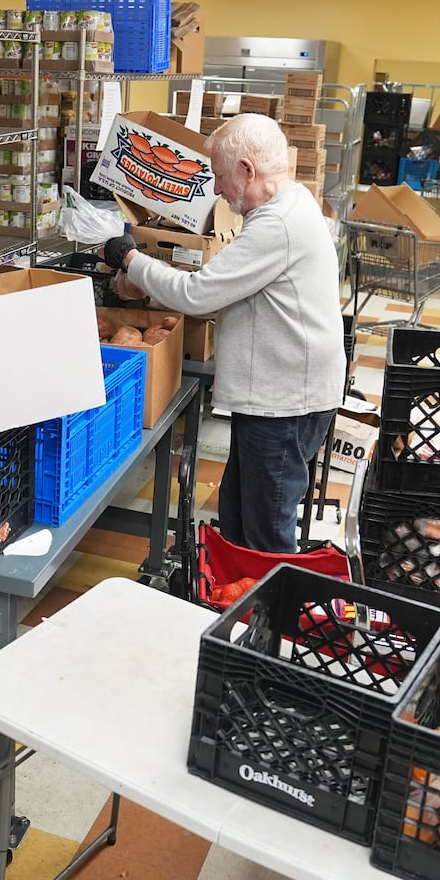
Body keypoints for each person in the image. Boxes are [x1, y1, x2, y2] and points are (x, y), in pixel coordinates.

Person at [102, 112, 346, 554]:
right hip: (282, 396)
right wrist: (153, 286)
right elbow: (227, 286)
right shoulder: (290, 206)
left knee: (266, 534)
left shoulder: (278, 225)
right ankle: (237, 607)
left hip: (284, 403)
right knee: (239, 516)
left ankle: (269, 616)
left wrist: (131, 260)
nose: (216, 189)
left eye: (219, 176)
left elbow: (199, 296)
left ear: (248, 170)